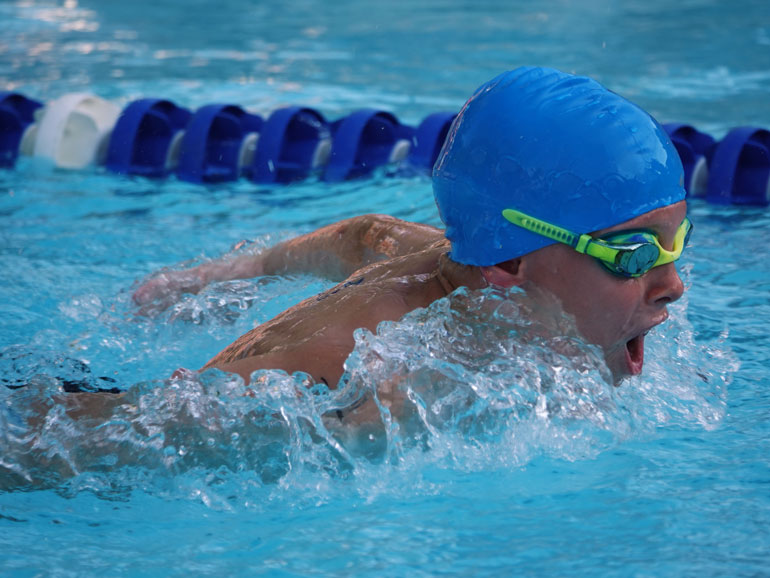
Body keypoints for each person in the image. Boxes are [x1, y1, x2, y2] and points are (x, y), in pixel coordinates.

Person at [134, 65, 691, 390]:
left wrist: (236, 271)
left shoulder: (457, 263)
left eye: (676, 244)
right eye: (635, 253)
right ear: (508, 264)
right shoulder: (360, 371)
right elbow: (151, 425)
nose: (673, 283)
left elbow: (364, 234)